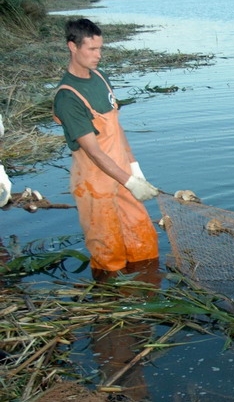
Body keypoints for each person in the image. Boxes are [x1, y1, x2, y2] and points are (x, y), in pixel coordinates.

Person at [53, 18, 160, 278]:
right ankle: (108, 304)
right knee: (108, 252)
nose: (98, 55)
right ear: (72, 47)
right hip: (95, 183)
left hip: (122, 172)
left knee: (144, 244)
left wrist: (134, 167)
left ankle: (147, 292)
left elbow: (116, 126)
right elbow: (94, 151)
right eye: (92, 49)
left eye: (100, 48)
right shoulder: (68, 96)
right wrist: (130, 182)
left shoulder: (101, 77)